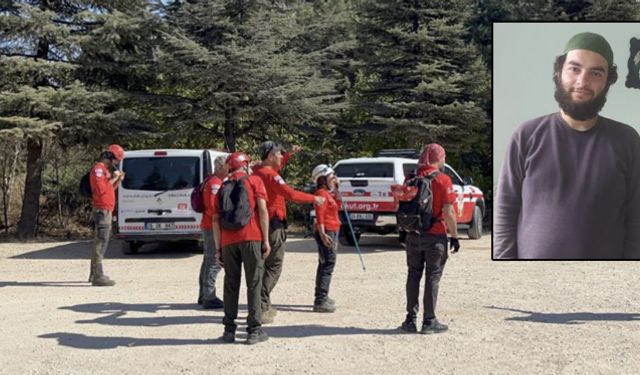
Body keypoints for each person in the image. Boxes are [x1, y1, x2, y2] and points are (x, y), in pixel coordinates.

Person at [494, 32, 640, 259]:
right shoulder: (525, 136)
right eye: (575, 69)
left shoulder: (627, 140)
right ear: (559, 72)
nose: (583, 81)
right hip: (532, 280)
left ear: (608, 81)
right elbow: (504, 210)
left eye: (596, 73)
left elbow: (636, 220)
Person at [252, 141, 324, 324]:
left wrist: (289, 154)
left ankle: (262, 303)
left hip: (261, 225)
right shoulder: (271, 176)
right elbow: (290, 194)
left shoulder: (258, 171)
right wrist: (315, 198)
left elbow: (278, 165)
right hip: (274, 225)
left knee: (263, 266)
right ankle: (261, 303)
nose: (281, 157)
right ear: (270, 156)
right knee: (274, 266)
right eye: (278, 154)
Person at [399, 143, 459, 334]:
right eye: (443, 157)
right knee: (432, 277)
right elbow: (449, 211)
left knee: (413, 275)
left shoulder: (410, 177)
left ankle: (410, 320)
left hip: (413, 234)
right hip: (435, 236)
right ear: (438, 158)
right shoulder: (443, 180)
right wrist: (455, 236)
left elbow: (400, 204)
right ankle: (429, 321)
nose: (444, 161)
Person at [212, 152, 271, 345]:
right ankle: (254, 329)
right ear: (244, 165)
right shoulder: (254, 181)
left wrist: (218, 248)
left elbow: (215, 219)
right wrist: (265, 239)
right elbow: (262, 210)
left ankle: (229, 330)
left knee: (231, 284)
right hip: (251, 237)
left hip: (228, 241)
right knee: (254, 282)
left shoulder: (222, 187)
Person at [88, 144, 125, 287]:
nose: (115, 163)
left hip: (107, 209)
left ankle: (94, 273)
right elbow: (101, 189)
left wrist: (117, 181)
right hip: (102, 210)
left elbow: (109, 189)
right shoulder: (98, 170)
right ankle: (98, 275)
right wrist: (113, 178)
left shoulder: (104, 171)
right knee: (101, 241)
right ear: (109, 157)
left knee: (100, 240)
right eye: (115, 160)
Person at [197, 155, 227, 309]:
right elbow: (214, 208)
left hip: (207, 225)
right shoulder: (215, 184)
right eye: (227, 166)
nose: (229, 169)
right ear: (220, 167)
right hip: (211, 226)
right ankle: (209, 296)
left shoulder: (212, 181)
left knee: (207, 261)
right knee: (214, 261)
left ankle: (204, 294)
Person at [310, 164, 341, 313]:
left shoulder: (328, 193)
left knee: (326, 263)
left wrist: (336, 189)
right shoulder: (321, 194)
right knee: (327, 264)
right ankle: (320, 300)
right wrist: (323, 234)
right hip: (327, 231)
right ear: (322, 179)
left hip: (332, 230)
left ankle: (323, 296)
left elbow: (339, 206)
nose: (334, 178)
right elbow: (320, 214)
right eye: (331, 176)